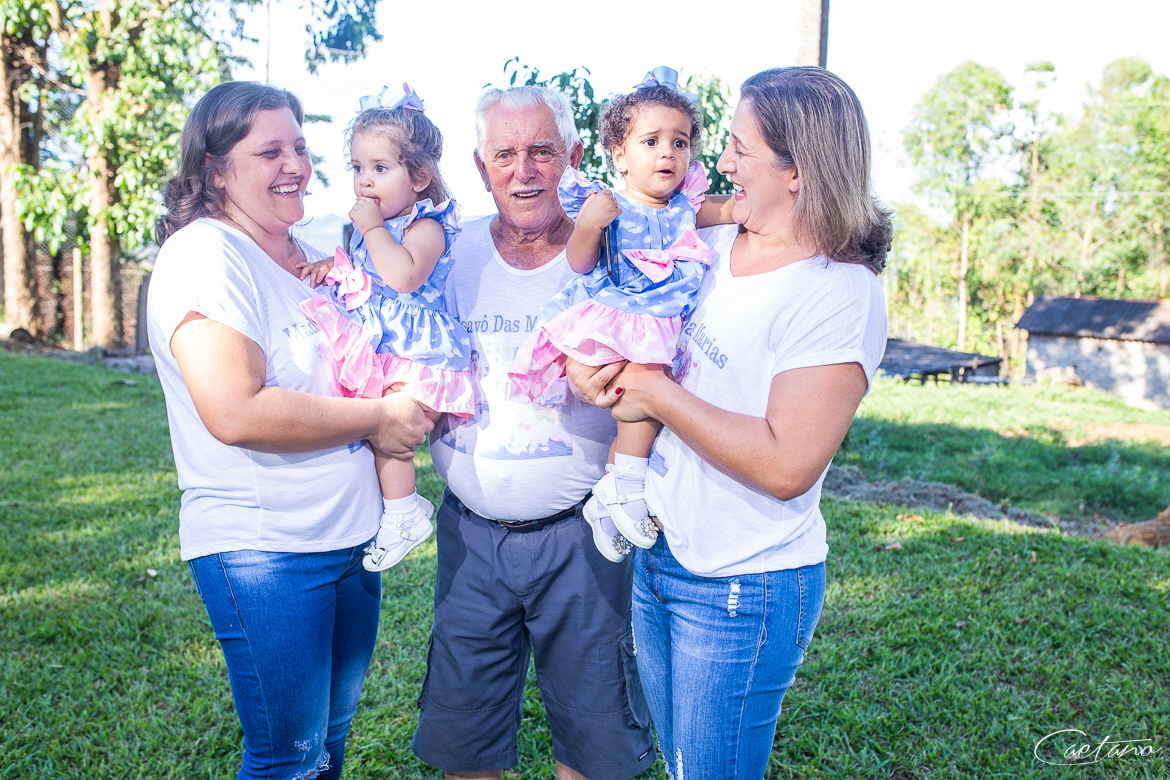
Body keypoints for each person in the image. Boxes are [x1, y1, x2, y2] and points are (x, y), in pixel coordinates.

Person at [568, 67, 891, 779]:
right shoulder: (709, 248)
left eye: (741, 150)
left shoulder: (839, 293)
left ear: (798, 170)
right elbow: (636, 331)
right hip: (662, 551)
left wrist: (654, 393)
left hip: (743, 583)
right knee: (682, 767)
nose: (721, 163)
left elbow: (786, 465)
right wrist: (595, 371)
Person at [146, 81, 434, 780]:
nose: (296, 166)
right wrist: (381, 418)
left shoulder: (306, 254)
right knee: (288, 759)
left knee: (327, 744)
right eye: (270, 151)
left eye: (301, 148)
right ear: (216, 169)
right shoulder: (206, 255)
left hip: (348, 541)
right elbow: (237, 411)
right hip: (268, 549)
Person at [415, 86, 656, 780]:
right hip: (470, 539)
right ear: (479, 166)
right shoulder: (448, 254)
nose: (523, 171)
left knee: (594, 746)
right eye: (504, 155)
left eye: (542, 151)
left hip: (583, 539)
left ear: (573, 157)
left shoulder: (616, 254)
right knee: (464, 744)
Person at [509, 66, 732, 561]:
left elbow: (732, 209)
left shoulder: (684, 207)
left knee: (644, 410)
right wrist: (589, 224)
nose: (667, 153)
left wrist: (757, 206)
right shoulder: (609, 204)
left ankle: (609, 500)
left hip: (656, 318)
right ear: (619, 156)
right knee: (645, 400)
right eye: (651, 141)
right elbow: (579, 262)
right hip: (617, 316)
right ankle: (626, 486)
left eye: (679, 142)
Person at [298, 83, 473, 571]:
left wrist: (373, 229)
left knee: (391, 428)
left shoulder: (427, 226)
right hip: (385, 348)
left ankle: (403, 514)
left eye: (380, 168)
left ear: (419, 177)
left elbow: (403, 276)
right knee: (374, 429)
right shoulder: (373, 228)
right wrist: (331, 267)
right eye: (357, 168)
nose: (364, 181)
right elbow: (366, 276)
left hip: (419, 356)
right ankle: (397, 509)